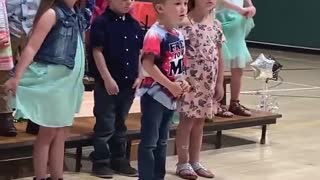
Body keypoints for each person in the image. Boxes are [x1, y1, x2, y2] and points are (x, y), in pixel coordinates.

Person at [4, 0, 88, 179]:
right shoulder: (52, 14)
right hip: (54, 82)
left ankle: (57, 176)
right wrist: (17, 75)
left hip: (68, 84)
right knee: (48, 131)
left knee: (61, 132)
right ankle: (40, 176)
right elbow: (32, 47)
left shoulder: (78, 15)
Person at [89, 0, 143, 178]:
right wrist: (107, 78)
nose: (128, 2)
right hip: (108, 84)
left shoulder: (134, 24)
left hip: (128, 84)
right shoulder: (101, 22)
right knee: (105, 124)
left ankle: (119, 160)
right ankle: (100, 162)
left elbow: (140, 52)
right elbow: (97, 51)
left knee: (121, 124)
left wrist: (140, 75)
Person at [137, 0, 189, 179]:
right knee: (150, 142)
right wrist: (170, 85)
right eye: (177, 3)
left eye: (185, 3)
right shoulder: (154, 34)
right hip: (154, 96)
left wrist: (183, 82)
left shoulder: (179, 35)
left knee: (162, 141)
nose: (183, 7)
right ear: (160, 8)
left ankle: (158, 176)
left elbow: (179, 66)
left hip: (170, 96)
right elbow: (148, 65)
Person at [175, 0, 225, 179]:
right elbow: (178, 54)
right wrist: (180, 79)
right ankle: (182, 162)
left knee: (200, 122)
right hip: (190, 82)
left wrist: (219, 83)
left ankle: (196, 161)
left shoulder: (216, 25)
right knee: (187, 121)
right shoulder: (185, 23)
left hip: (208, 83)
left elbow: (219, 56)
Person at [215, 0, 255, 117]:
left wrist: (250, 6)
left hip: (238, 21)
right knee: (217, 64)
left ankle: (235, 103)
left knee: (238, 66)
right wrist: (240, 10)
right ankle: (215, 103)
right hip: (220, 19)